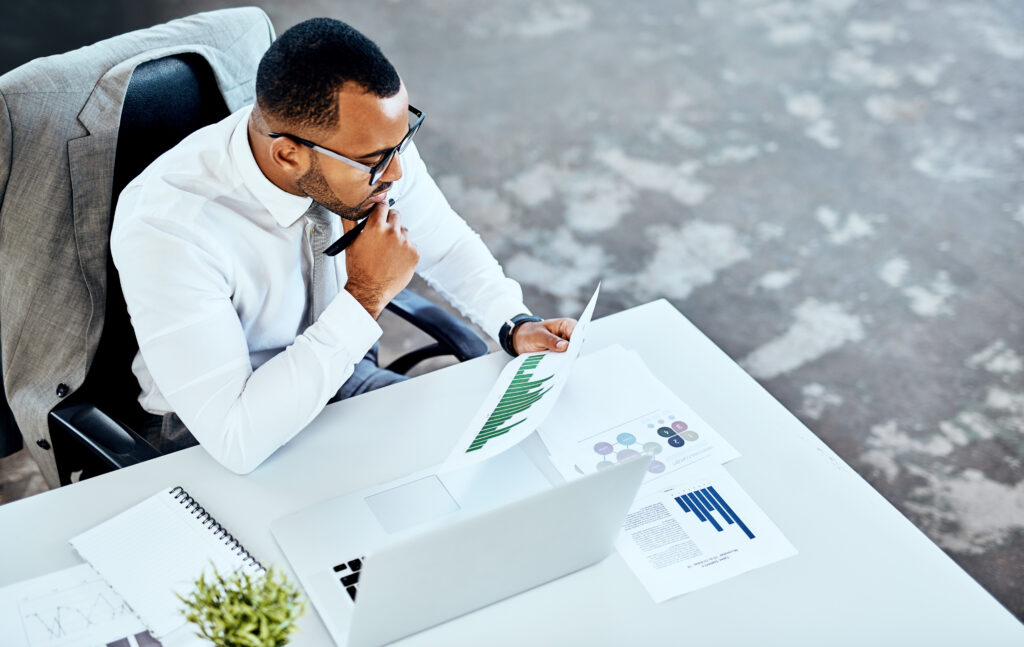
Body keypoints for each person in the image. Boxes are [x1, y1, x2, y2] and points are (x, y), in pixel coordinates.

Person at [111, 18, 576, 474]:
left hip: (341, 374)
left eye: (402, 144)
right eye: (376, 162)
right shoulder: (167, 228)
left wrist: (513, 322)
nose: (396, 173)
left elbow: (448, 245)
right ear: (289, 154)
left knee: (497, 464)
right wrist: (366, 296)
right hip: (215, 435)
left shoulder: (368, 148)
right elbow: (236, 437)